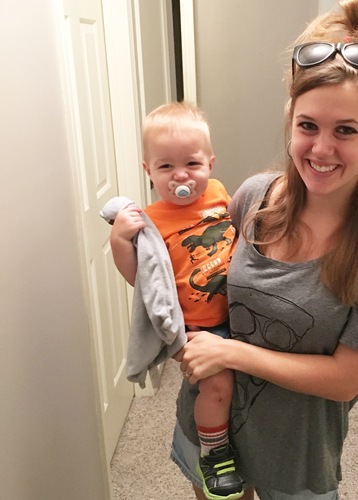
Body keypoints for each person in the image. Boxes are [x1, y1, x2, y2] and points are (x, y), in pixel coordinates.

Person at [173, 0, 358, 499]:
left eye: (346, 130)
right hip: (211, 427)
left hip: (295, 454)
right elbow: (196, 281)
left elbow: (344, 379)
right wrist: (134, 251)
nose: (321, 149)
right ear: (291, 118)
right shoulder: (253, 197)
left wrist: (231, 352)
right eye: (308, 125)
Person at [110, 102, 244, 500]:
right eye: (166, 166)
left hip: (240, 316)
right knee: (217, 385)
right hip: (197, 328)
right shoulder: (152, 220)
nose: (180, 175)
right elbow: (143, 282)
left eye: (192, 164)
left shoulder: (219, 193)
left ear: (210, 164)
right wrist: (120, 240)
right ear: (148, 170)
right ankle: (214, 453)